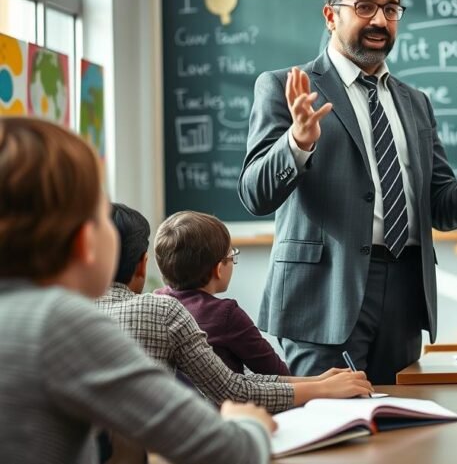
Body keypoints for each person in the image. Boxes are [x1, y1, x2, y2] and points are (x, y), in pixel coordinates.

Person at [239, 0, 457, 383]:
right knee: (331, 436)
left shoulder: (415, 102)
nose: (380, 20)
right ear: (331, 15)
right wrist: (296, 142)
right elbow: (254, 194)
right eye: (366, 6)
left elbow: (441, 209)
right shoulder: (285, 86)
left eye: (391, 9)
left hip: (405, 292)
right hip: (324, 295)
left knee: (407, 427)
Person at [0, 117, 274, 464]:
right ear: (85, 241)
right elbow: (224, 450)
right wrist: (248, 425)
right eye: (103, 215)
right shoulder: (59, 323)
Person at [99, 203, 373, 413]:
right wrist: (319, 388)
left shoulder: (68, 311)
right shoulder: (166, 312)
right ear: (143, 264)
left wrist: (318, 383)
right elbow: (233, 389)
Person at [153, 210, 290, 376]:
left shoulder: (156, 302)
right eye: (232, 255)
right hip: (223, 402)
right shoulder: (226, 316)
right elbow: (277, 373)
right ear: (218, 269)